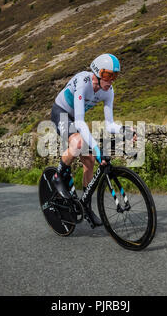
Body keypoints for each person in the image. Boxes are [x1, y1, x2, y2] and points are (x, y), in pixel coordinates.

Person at [50, 54, 131, 226]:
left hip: (76, 117)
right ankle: (57, 175)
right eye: (108, 75)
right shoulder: (83, 82)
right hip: (61, 112)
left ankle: (85, 205)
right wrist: (96, 146)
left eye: (115, 76)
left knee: (90, 160)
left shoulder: (108, 91)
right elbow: (79, 122)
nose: (111, 81)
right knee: (78, 143)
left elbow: (110, 125)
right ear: (97, 72)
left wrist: (125, 130)